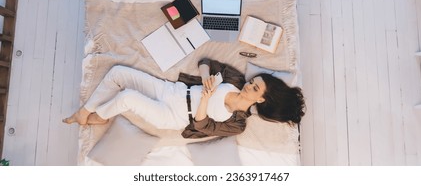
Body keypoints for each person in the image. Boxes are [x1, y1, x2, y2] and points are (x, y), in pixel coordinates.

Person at [63, 58, 305, 138]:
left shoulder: (238, 124)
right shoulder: (236, 79)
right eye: (253, 82)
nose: (248, 86)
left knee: (127, 97)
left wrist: (206, 98)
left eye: (254, 89)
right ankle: (86, 113)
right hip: (174, 90)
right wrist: (206, 76)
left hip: (175, 115)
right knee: (117, 73)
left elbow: (202, 125)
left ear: (261, 100)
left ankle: (99, 116)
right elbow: (206, 62)